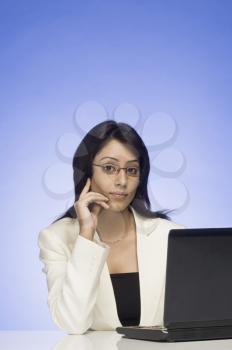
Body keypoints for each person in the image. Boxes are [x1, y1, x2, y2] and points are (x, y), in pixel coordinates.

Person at [38, 120, 185, 335]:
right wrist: (86, 235)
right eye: (109, 168)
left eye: (132, 170)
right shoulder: (56, 238)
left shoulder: (172, 236)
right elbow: (73, 323)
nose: (122, 181)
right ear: (86, 171)